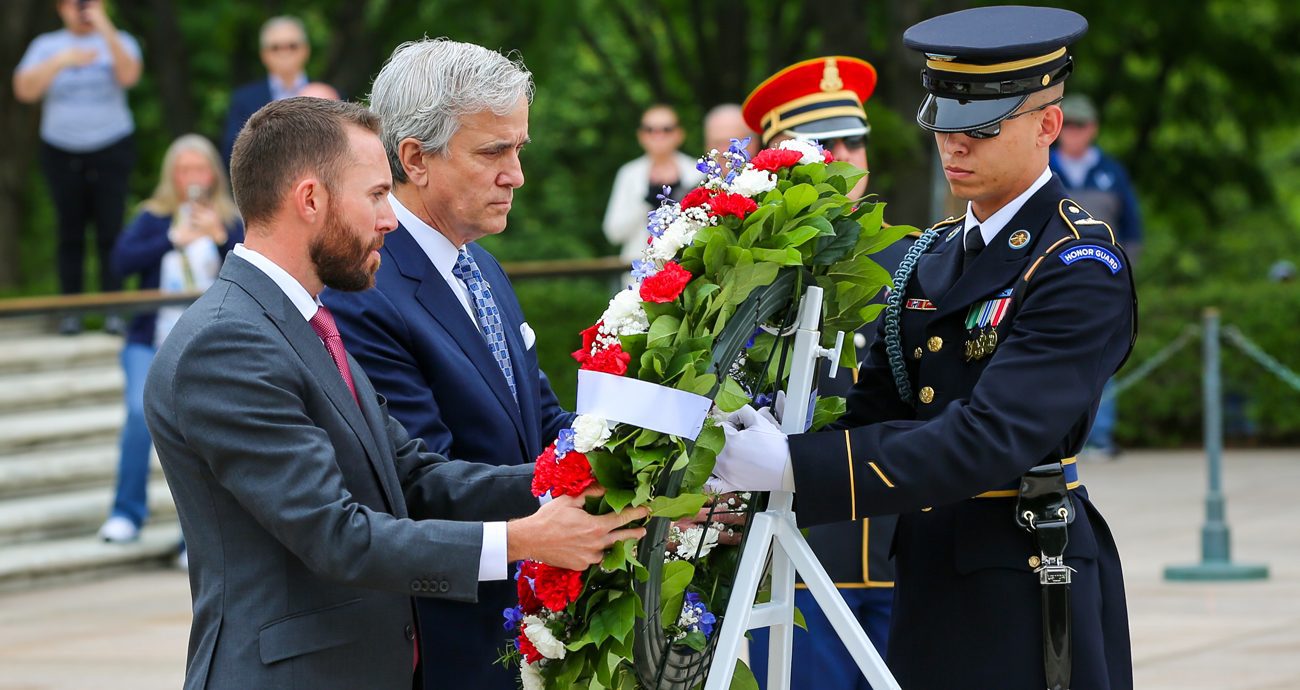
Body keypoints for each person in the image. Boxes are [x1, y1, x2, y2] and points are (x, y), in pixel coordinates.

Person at [144, 97, 647, 690]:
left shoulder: (299, 321)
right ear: (311, 200)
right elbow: (336, 536)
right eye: (377, 195)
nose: (389, 219)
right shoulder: (228, 341)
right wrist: (523, 539)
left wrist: (591, 471)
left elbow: (413, 475)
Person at [711, 7, 1136, 690]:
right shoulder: (931, 257)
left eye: (982, 128)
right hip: (929, 575)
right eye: (945, 124)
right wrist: (745, 475)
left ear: (1047, 125)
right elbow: (877, 410)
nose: (955, 147)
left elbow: (988, 437)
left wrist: (792, 465)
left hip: (1025, 577)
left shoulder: (1077, 263)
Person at [323, 39, 572, 690]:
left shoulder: (478, 262)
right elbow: (420, 485)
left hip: (519, 622)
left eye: (519, 148)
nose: (515, 173)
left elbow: (541, 418)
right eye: (493, 151)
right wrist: (583, 486)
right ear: (414, 159)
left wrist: (639, 455)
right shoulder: (367, 289)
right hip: (447, 641)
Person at [739, 55, 907, 690]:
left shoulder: (918, 253)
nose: (843, 154)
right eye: (820, 143)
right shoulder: (749, 265)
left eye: (853, 140)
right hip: (800, 546)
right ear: (773, 156)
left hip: (902, 541)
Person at [97, 134, 242, 560]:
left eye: (200, 169)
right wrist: (172, 239)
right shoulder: (152, 217)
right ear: (171, 176)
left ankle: (193, 538)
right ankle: (127, 512)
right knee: (138, 415)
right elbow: (120, 263)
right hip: (150, 340)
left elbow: (253, 269)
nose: (193, 178)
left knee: (201, 433)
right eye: (184, 170)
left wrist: (218, 239)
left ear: (213, 174)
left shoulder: (232, 219)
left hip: (207, 347)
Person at [13, 0, 142, 335]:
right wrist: (61, 61)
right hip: (61, 149)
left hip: (111, 145)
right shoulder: (46, 46)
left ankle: (114, 311)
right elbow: (24, 90)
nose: (83, 8)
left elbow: (129, 75)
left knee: (110, 231)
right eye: (75, 3)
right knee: (69, 233)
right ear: (60, 8)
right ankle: (71, 312)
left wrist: (104, 28)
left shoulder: (120, 39)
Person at [1051, 93, 1143, 460]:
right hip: (1050, 277)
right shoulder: (1041, 164)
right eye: (1068, 125)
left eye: (1080, 125)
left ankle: (1099, 436)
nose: (1073, 133)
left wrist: (1125, 273)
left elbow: (1133, 228)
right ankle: (1056, 436)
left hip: (1103, 279)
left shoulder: (1111, 171)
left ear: (1093, 129)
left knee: (1105, 354)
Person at [602, 104, 704, 265]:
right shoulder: (629, 174)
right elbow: (613, 232)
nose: (658, 135)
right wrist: (645, 204)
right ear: (641, 135)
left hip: (689, 265)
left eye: (666, 129)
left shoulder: (696, 172)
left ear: (679, 134)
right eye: (650, 129)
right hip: (640, 270)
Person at [221, 16, 315, 167]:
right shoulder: (244, 100)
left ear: (305, 50)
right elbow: (232, 152)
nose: (284, 52)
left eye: (292, 46)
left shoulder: (329, 94)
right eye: (275, 47)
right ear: (264, 55)